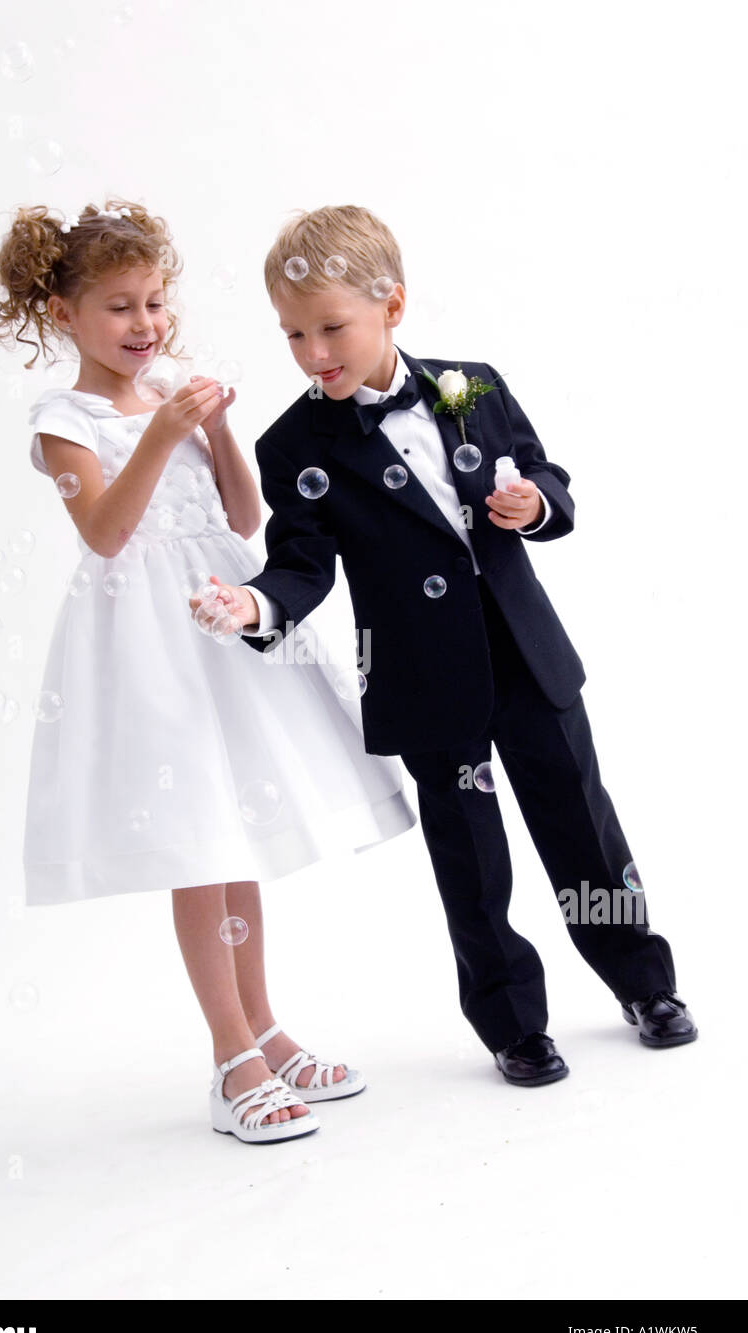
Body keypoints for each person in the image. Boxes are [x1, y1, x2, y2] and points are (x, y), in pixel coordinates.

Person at [193, 203, 698, 1087]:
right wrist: (253, 604)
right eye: (294, 334)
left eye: (332, 327)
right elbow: (302, 563)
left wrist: (533, 504)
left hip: (526, 657)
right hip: (424, 681)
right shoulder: (292, 444)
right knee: (469, 855)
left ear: (391, 307)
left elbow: (547, 476)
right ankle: (510, 1022)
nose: (315, 352)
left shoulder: (476, 386)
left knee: (581, 822)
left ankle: (639, 981)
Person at [0, 198, 416, 1141]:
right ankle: (229, 1061)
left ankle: (262, 1029)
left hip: (219, 613)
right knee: (199, 842)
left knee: (240, 836)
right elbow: (104, 532)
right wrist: (156, 434)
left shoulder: (168, 388)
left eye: (153, 303)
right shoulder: (63, 421)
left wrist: (214, 429)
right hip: (146, 638)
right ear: (66, 315)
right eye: (118, 308)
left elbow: (244, 516)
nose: (143, 326)